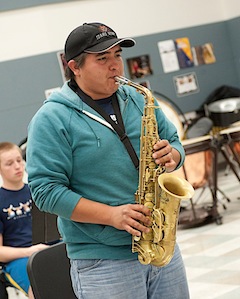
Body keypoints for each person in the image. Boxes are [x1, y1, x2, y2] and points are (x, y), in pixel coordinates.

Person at [26, 22, 189, 299]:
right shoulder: (51, 119)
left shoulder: (139, 99)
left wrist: (172, 155)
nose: (115, 66)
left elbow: (174, 141)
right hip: (103, 262)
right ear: (75, 66)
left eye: (117, 55)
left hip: (162, 246)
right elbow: (45, 192)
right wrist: (112, 215)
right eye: (102, 59)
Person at [0, 142, 49, 299]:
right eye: (9, 163)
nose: (17, 166)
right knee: (40, 286)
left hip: (48, 248)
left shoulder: (37, 192)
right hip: (19, 258)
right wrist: (30, 251)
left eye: (19, 160)